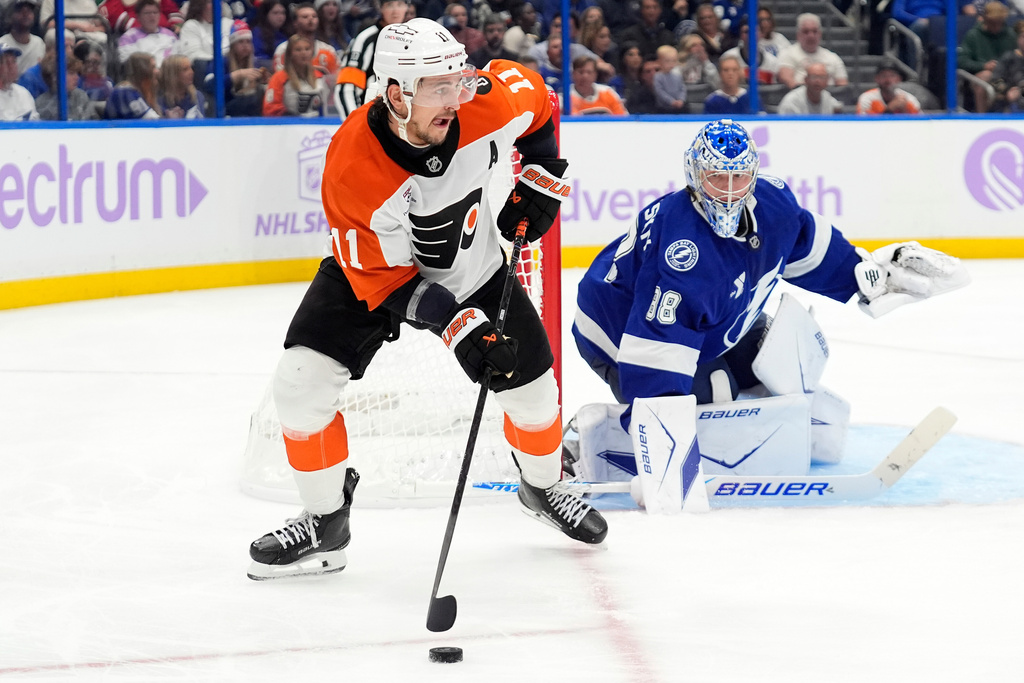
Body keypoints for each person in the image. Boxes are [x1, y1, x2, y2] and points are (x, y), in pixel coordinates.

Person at [247, 17, 607, 581]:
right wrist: (460, 329)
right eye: (438, 88)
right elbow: (386, 280)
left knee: (537, 398)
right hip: (371, 276)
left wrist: (540, 176)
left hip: (475, 268)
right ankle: (325, 522)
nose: (455, 98)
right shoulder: (352, 165)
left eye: (458, 81)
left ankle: (542, 488)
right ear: (396, 93)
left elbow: (537, 102)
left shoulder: (481, 103)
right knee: (299, 386)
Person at [571, 119, 967, 446]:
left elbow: (807, 247)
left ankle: (758, 437)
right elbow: (654, 352)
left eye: (738, 178)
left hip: (712, 323)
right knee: (716, 389)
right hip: (617, 330)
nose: (728, 192)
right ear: (694, 176)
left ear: (754, 175)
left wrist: (868, 278)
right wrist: (661, 447)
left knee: (777, 358)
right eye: (716, 179)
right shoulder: (684, 254)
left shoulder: (774, 204)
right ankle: (595, 438)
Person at [333, 0, 408, 120]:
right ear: (381, 8)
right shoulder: (366, 39)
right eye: (390, 5)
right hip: (373, 120)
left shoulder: (414, 40)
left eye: (399, 5)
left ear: (406, 7)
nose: (395, 11)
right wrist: (355, 122)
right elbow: (346, 88)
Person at [958, 1, 1017, 111]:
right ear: (985, 19)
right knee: (986, 76)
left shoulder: (1010, 35)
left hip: (1007, 75)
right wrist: (983, 66)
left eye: (999, 23)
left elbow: (1016, 58)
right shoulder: (973, 35)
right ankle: (983, 118)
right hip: (979, 76)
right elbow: (962, 61)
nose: (996, 27)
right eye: (992, 23)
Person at [204, 19, 268, 116]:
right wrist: (235, 76)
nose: (245, 45)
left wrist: (265, 82)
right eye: (241, 42)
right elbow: (208, 85)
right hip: (228, 107)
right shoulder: (221, 61)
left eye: (248, 42)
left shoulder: (256, 63)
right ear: (233, 45)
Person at [777, 13, 849, 89]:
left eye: (815, 31)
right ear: (798, 35)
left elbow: (842, 87)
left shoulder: (833, 58)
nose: (811, 36)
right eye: (806, 31)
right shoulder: (787, 54)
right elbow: (786, 78)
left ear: (820, 34)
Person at [263, 34, 326, 116]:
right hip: (290, 125)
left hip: (317, 124)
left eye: (307, 49)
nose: (304, 53)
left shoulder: (319, 77)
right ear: (290, 54)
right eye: (298, 50)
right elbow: (270, 109)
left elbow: (326, 107)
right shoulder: (279, 78)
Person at [272, 3, 338, 77]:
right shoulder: (284, 49)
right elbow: (279, 78)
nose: (311, 19)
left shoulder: (329, 50)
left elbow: (337, 77)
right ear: (295, 23)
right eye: (305, 17)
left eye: (314, 16)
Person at [117, 0, 179, 68]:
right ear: (138, 17)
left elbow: (179, 58)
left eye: (155, 12)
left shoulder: (171, 35)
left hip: (170, 73)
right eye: (147, 13)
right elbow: (129, 63)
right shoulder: (128, 37)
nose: (152, 16)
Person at [34, 52, 96, 120]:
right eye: (72, 73)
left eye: (77, 73)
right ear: (54, 76)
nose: (77, 77)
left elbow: (95, 125)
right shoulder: (41, 105)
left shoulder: (81, 96)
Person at [721, 18, 779, 84]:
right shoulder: (728, 57)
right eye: (746, 32)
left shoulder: (772, 61)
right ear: (740, 35)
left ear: (761, 34)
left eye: (754, 31)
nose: (750, 35)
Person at [105, 51, 161, 118]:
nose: (157, 71)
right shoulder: (124, 92)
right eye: (153, 67)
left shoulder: (141, 93)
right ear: (142, 71)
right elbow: (153, 121)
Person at [856, 59, 922, 114]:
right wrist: (889, 110)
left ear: (899, 79)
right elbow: (864, 126)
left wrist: (905, 111)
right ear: (877, 79)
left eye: (892, 76)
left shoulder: (909, 100)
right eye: (884, 76)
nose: (888, 80)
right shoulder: (867, 99)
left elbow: (921, 124)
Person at [776, 61, 842, 114]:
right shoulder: (792, 101)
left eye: (822, 77)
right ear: (806, 80)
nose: (817, 81)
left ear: (827, 81)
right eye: (813, 77)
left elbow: (838, 108)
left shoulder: (826, 96)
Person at [0, 0, 44, 77]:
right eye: (20, 10)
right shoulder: (2, 44)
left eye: (29, 11)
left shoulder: (39, 43)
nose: (25, 14)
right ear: (10, 16)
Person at [991, 19, 1024, 112]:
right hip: (1011, 99)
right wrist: (1007, 91)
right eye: (1023, 37)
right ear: (1018, 39)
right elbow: (995, 81)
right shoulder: (1008, 58)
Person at [98, 0, 184, 35]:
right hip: (135, 36)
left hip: (166, 34)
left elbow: (173, 12)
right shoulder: (114, 2)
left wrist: (175, 25)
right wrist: (148, 28)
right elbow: (117, 17)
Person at [0, 44, 39, 120]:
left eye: (14, 62)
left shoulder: (23, 93)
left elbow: (34, 124)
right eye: (6, 63)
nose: (11, 67)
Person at [252, 0, 289, 68]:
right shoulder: (257, 32)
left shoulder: (284, 34)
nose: (280, 16)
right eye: (275, 13)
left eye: (283, 13)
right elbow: (258, 59)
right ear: (266, 15)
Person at [653, 43, 687, 112]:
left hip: (678, 106)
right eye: (667, 61)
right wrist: (671, 101)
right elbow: (660, 91)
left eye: (674, 61)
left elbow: (682, 88)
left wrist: (681, 100)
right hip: (663, 108)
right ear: (659, 62)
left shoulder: (677, 75)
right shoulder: (658, 76)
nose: (671, 64)